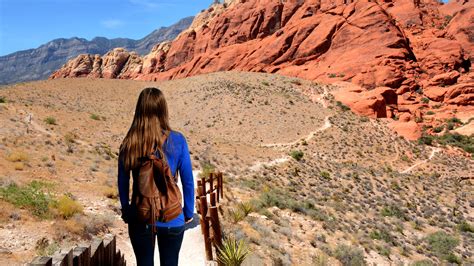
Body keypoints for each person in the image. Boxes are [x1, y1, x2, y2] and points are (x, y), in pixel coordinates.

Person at [117, 87, 195, 266]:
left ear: (140, 110)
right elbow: (188, 181)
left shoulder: (129, 143)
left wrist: (126, 209)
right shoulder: (178, 140)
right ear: (163, 110)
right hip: (172, 216)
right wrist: (188, 211)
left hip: (140, 216)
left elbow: (122, 181)